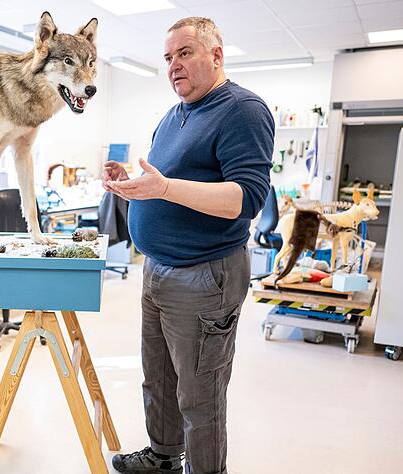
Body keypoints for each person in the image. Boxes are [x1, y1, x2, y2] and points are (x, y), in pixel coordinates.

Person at [104, 17, 273, 474]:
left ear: (216, 56)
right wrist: (133, 184)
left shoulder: (242, 110)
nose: (173, 66)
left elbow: (246, 198)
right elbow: (168, 182)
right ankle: (163, 459)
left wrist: (162, 191)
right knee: (158, 380)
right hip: (157, 269)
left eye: (184, 54)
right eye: (167, 58)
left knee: (200, 396)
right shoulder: (175, 114)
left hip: (204, 276)